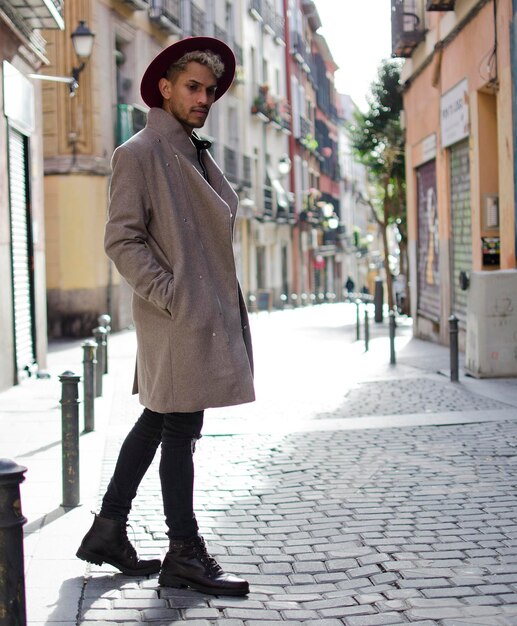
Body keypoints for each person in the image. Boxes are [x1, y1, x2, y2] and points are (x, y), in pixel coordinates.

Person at [76, 37, 255, 597]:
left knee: (159, 420)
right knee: (180, 430)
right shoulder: (140, 152)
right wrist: (173, 295)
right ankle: (185, 553)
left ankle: (109, 528)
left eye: (209, 90)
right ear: (166, 89)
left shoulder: (193, 150)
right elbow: (122, 239)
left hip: (192, 314)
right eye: (193, 87)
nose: (204, 98)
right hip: (176, 317)